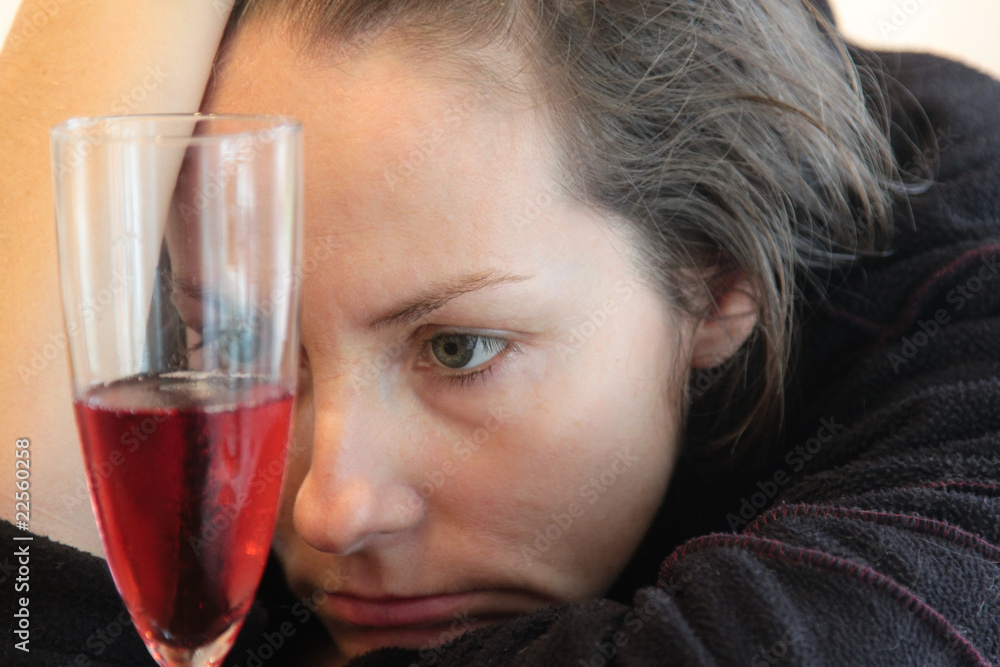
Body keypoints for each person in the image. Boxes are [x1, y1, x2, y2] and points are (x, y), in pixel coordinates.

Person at [1, 1, 998, 665]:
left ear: (717, 280)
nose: (333, 511)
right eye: (238, 346)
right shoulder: (162, 353)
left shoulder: (968, 303)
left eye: (457, 349)